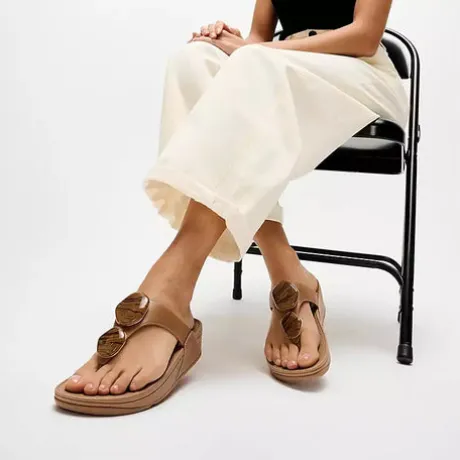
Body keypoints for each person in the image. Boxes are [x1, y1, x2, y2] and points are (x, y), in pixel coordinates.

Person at [54, 0, 408, 415]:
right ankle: (289, 275)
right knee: (193, 61)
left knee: (254, 66)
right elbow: (257, 39)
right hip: (281, 68)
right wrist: (228, 41)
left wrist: (256, 52)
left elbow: (365, 38)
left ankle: (172, 286)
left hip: (358, 75)